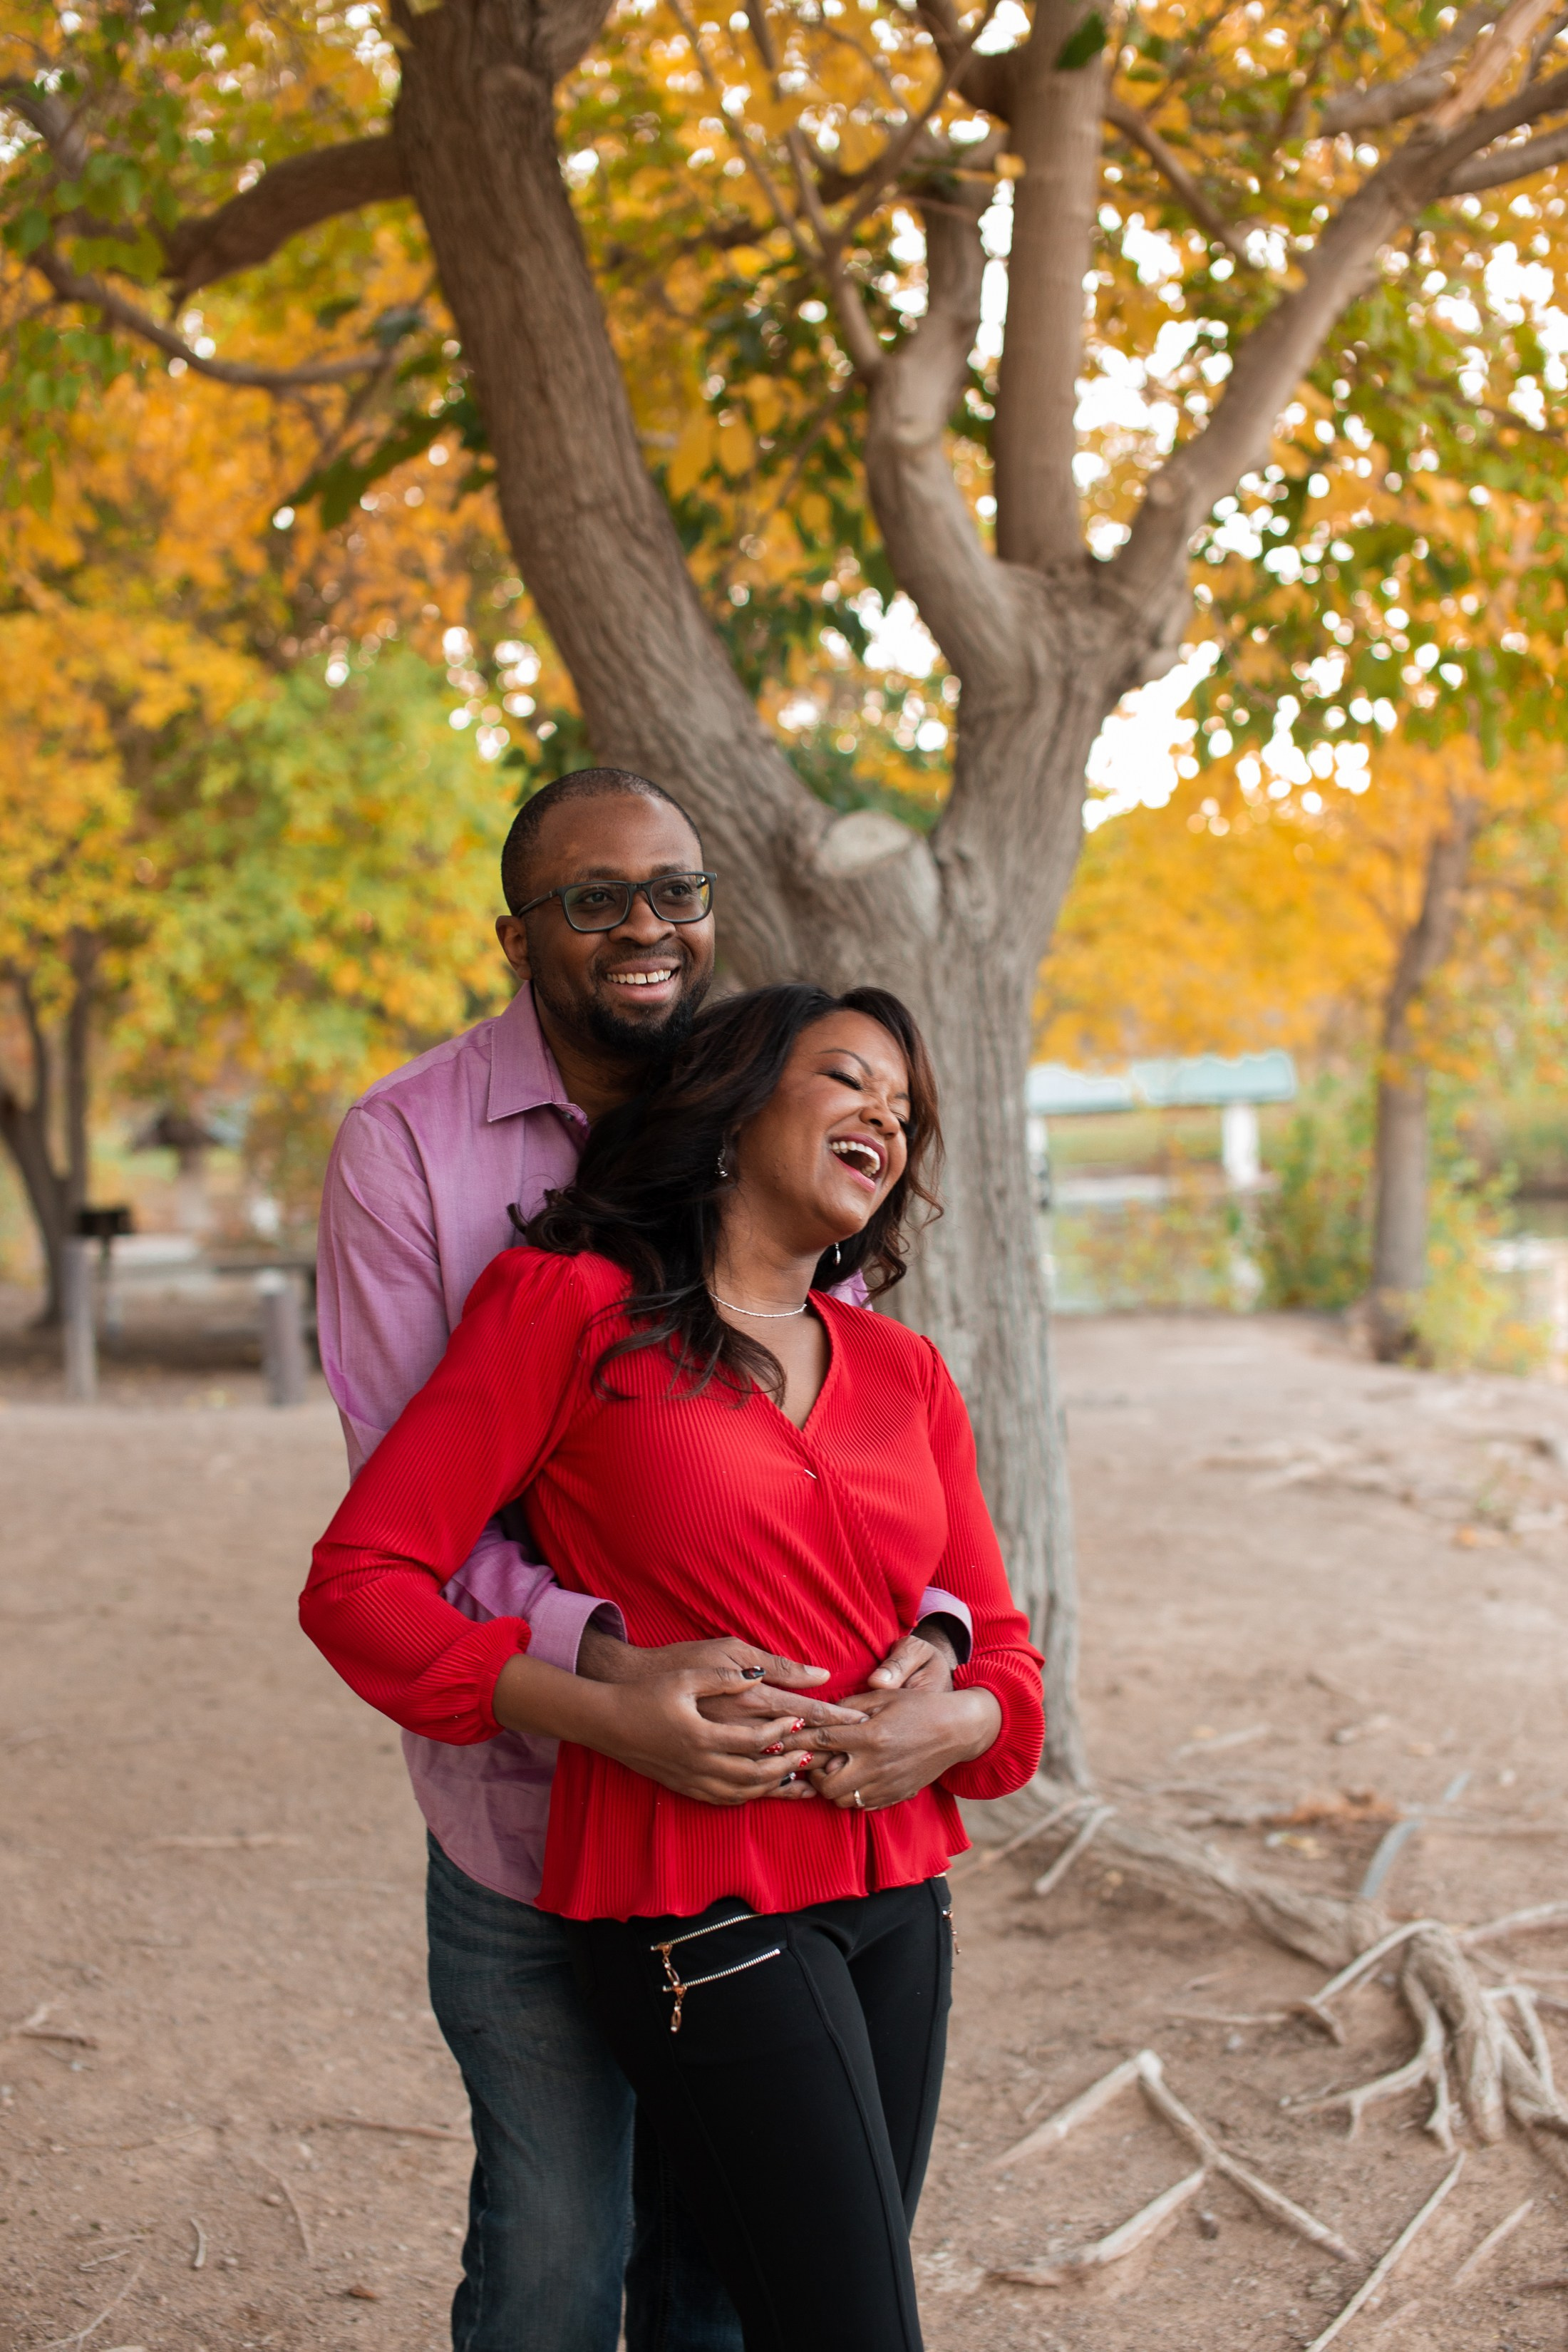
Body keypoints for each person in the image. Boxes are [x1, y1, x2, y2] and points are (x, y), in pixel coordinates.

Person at [313, 766, 984, 2352]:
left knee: (728, 2278)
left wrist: (944, 1664)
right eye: (593, 898)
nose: (643, 927)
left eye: (673, 891)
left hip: (812, 1844)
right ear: (515, 934)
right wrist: (608, 1673)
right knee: (555, 2254)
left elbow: (865, 1479)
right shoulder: (418, 1160)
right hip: (530, 1799)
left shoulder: (785, 1118)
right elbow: (405, 1539)